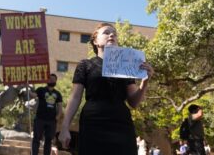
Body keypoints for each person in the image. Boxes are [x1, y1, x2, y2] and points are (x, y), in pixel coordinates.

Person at [58, 23, 154, 155]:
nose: (112, 34)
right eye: (106, 32)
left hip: (122, 124)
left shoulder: (126, 65)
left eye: (114, 33)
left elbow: (134, 102)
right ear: (96, 41)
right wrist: (65, 127)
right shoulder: (85, 65)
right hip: (93, 123)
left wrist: (145, 81)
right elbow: (75, 97)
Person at [31, 73, 63, 155]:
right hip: (40, 118)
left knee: (48, 141)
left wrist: (58, 117)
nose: (51, 80)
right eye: (50, 78)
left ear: (56, 81)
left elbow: (60, 106)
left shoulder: (58, 94)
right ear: (47, 80)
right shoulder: (41, 90)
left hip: (51, 121)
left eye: (53, 79)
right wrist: (27, 87)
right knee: (36, 139)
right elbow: (33, 95)